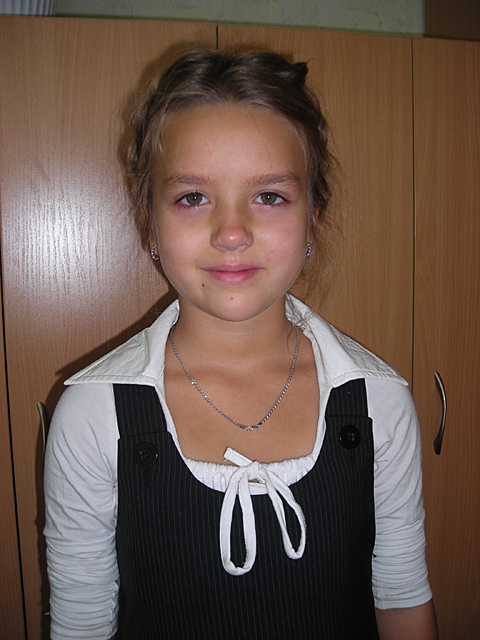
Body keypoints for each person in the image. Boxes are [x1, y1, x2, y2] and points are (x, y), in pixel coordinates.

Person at [44, 49, 438, 640]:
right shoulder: (93, 416)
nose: (231, 233)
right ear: (151, 221)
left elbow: (403, 601)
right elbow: (82, 623)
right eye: (193, 197)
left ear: (313, 214)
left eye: (269, 196)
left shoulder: (379, 403)